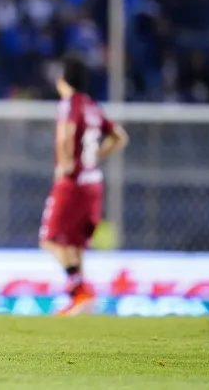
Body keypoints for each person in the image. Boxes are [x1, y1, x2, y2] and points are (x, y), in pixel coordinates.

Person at [40, 54, 129, 315]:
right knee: (75, 244)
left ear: (63, 78)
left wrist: (66, 164)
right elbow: (120, 137)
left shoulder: (69, 104)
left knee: (51, 239)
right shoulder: (91, 105)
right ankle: (81, 300)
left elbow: (66, 133)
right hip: (93, 182)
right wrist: (94, 158)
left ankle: (80, 292)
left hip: (73, 181)